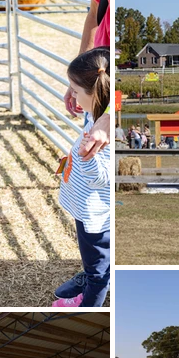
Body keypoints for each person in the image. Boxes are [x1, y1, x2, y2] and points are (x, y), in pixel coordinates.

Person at [53, 47, 110, 308]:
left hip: (95, 216)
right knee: (93, 262)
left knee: (98, 270)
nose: (71, 95)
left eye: (75, 90)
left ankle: (88, 306)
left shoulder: (105, 139)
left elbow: (103, 176)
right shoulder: (93, 115)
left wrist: (87, 160)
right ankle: (87, 286)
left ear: (95, 93)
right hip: (84, 207)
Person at [63, 0, 110, 161]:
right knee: (88, 148)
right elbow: (94, 12)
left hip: (109, 76)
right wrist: (78, 79)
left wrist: (108, 116)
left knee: (96, 156)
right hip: (97, 71)